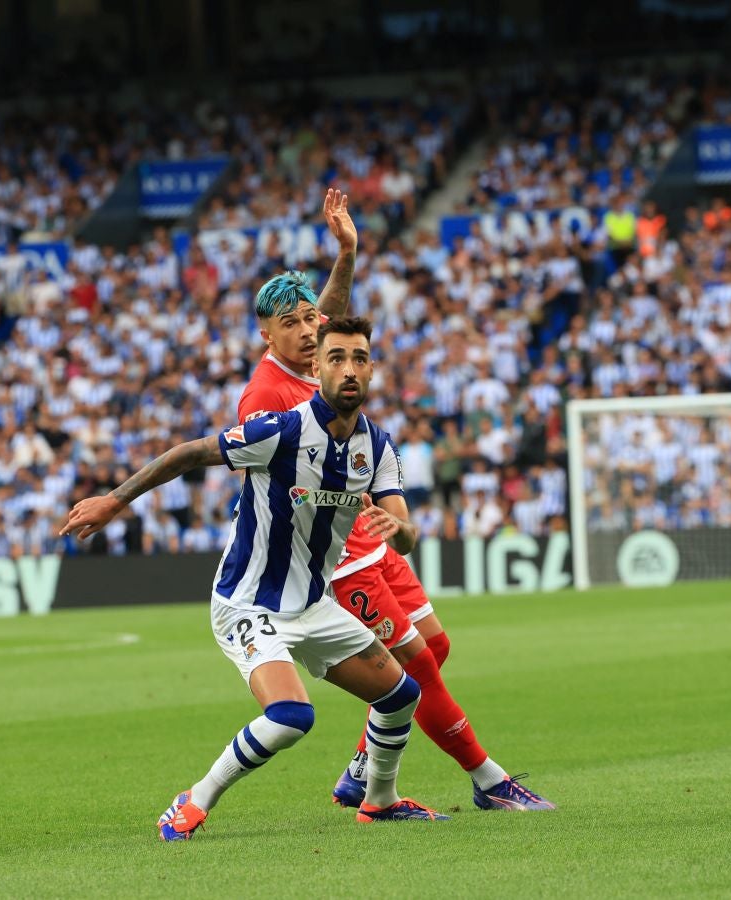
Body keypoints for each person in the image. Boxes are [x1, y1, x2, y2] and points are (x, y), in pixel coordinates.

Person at [60, 317, 447, 839]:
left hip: (312, 604)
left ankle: (379, 800)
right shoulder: (282, 432)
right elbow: (192, 453)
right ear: (316, 367)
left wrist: (398, 528)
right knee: (291, 716)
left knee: (401, 694)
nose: (348, 369)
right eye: (336, 358)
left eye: (359, 358)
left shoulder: (377, 449)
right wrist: (114, 501)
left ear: (372, 369)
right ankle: (194, 799)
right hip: (248, 603)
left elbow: (405, 534)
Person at [238, 197, 554, 811]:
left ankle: (361, 769)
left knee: (435, 646)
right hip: (337, 557)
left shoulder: (311, 356)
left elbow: (328, 318)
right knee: (417, 673)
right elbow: (277, 483)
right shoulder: (264, 396)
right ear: (266, 335)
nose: (310, 331)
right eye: (295, 324)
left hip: (371, 536)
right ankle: (490, 781)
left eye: (311, 320)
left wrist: (348, 253)